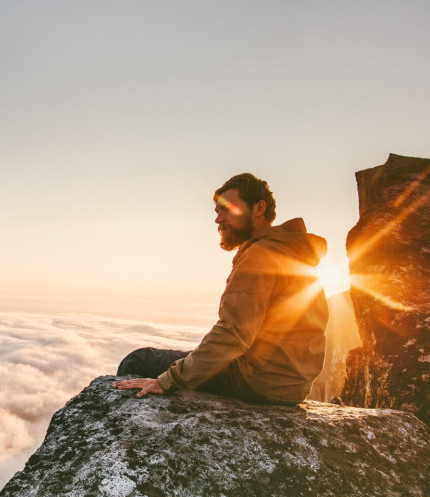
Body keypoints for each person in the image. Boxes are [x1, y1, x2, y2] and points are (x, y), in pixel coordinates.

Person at [114, 173, 329, 405]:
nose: (218, 219)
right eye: (217, 211)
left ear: (259, 209)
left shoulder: (261, 255)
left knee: (137, 361)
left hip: (259, 381)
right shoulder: (290, 251)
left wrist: (168, 381)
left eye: (228, 209)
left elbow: (233, 334)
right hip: (289, 383)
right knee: (186, 358)